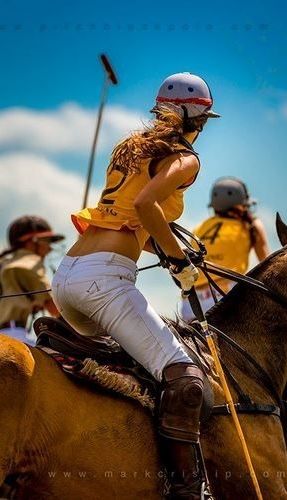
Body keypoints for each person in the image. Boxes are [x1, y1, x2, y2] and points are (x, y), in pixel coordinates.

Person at [51, 72, 220, 498]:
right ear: (195, 118)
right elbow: (146, 206)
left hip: (69, 275)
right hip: (104, 280)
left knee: (130, 367)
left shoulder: (129, 150)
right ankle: (188, 490)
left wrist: (166, 253)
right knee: (187, 379)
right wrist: (181, 265)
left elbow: (128, 219)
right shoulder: (186, 158)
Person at [179, 177, 270, 321]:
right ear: (239, 203)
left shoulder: (199, 228)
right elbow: (267, 266)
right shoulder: (251, 225)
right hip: (225, 296)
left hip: (190, 303)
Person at [0, 215, 64, 345]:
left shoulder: (5, 262)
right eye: (46, 241)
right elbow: (55, 308)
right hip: (13, 334)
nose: (50, 248)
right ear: (32, 241)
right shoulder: (29, 263)